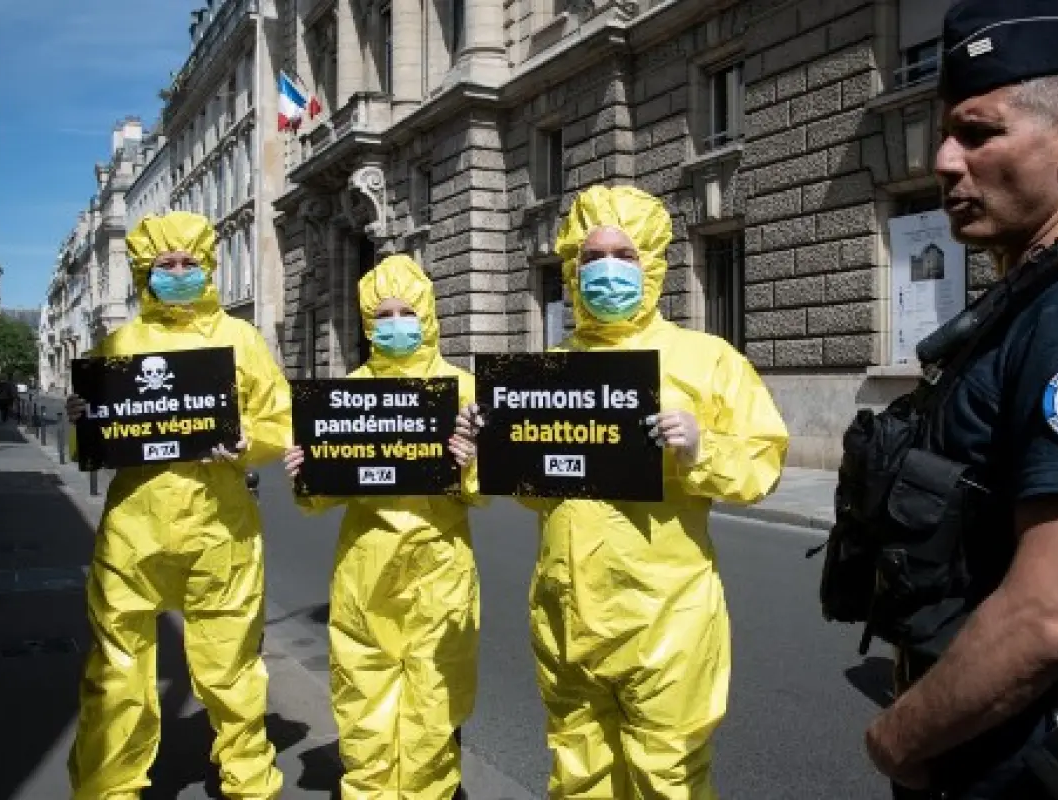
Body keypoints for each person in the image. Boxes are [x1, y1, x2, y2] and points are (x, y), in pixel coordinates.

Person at [852, 1, 1058, 797]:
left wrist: (898, 737)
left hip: (1040, 759)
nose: (946, 162)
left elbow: (1057, 609)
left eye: (978, 132)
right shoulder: (1028, 300)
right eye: (945, 134)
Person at [448, 184, 790, 798]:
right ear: (574, 270)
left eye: (624, 256)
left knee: (668, 777)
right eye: (592, 256)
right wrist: (480, 452)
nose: (607, 269)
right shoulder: (549, 370)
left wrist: (698, 447)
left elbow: (762, 464)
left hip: (666, 614)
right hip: (566, 611)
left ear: (652, 262)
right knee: (579, 773)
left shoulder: (704, 359)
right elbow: (538, 491)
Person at [65, 211, 291, 799]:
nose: (178, 272)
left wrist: (251, 442)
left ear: (207, 265)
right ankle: (108, 787)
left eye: (189, 263)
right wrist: (80, 423)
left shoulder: (240, 338)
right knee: (117, 672)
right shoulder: (120, 342)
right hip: (133, 529)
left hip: (220, 528)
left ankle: (249, 784)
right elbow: (96, 439)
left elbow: (279, 418)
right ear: (144, 270)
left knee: (230, 668)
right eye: (165, 265)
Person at [284, 255, 482, 800]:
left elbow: (493, 488)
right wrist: (308, 475)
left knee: (432, 714)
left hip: (438, 572)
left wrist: (470, 461)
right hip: (364, 573)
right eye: (383, 314)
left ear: (428, 314)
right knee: (364, 712)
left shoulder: (460, 390)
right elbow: (323, 496)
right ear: (369, 324)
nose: (395, 323)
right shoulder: (346, 392)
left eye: (406, 311)